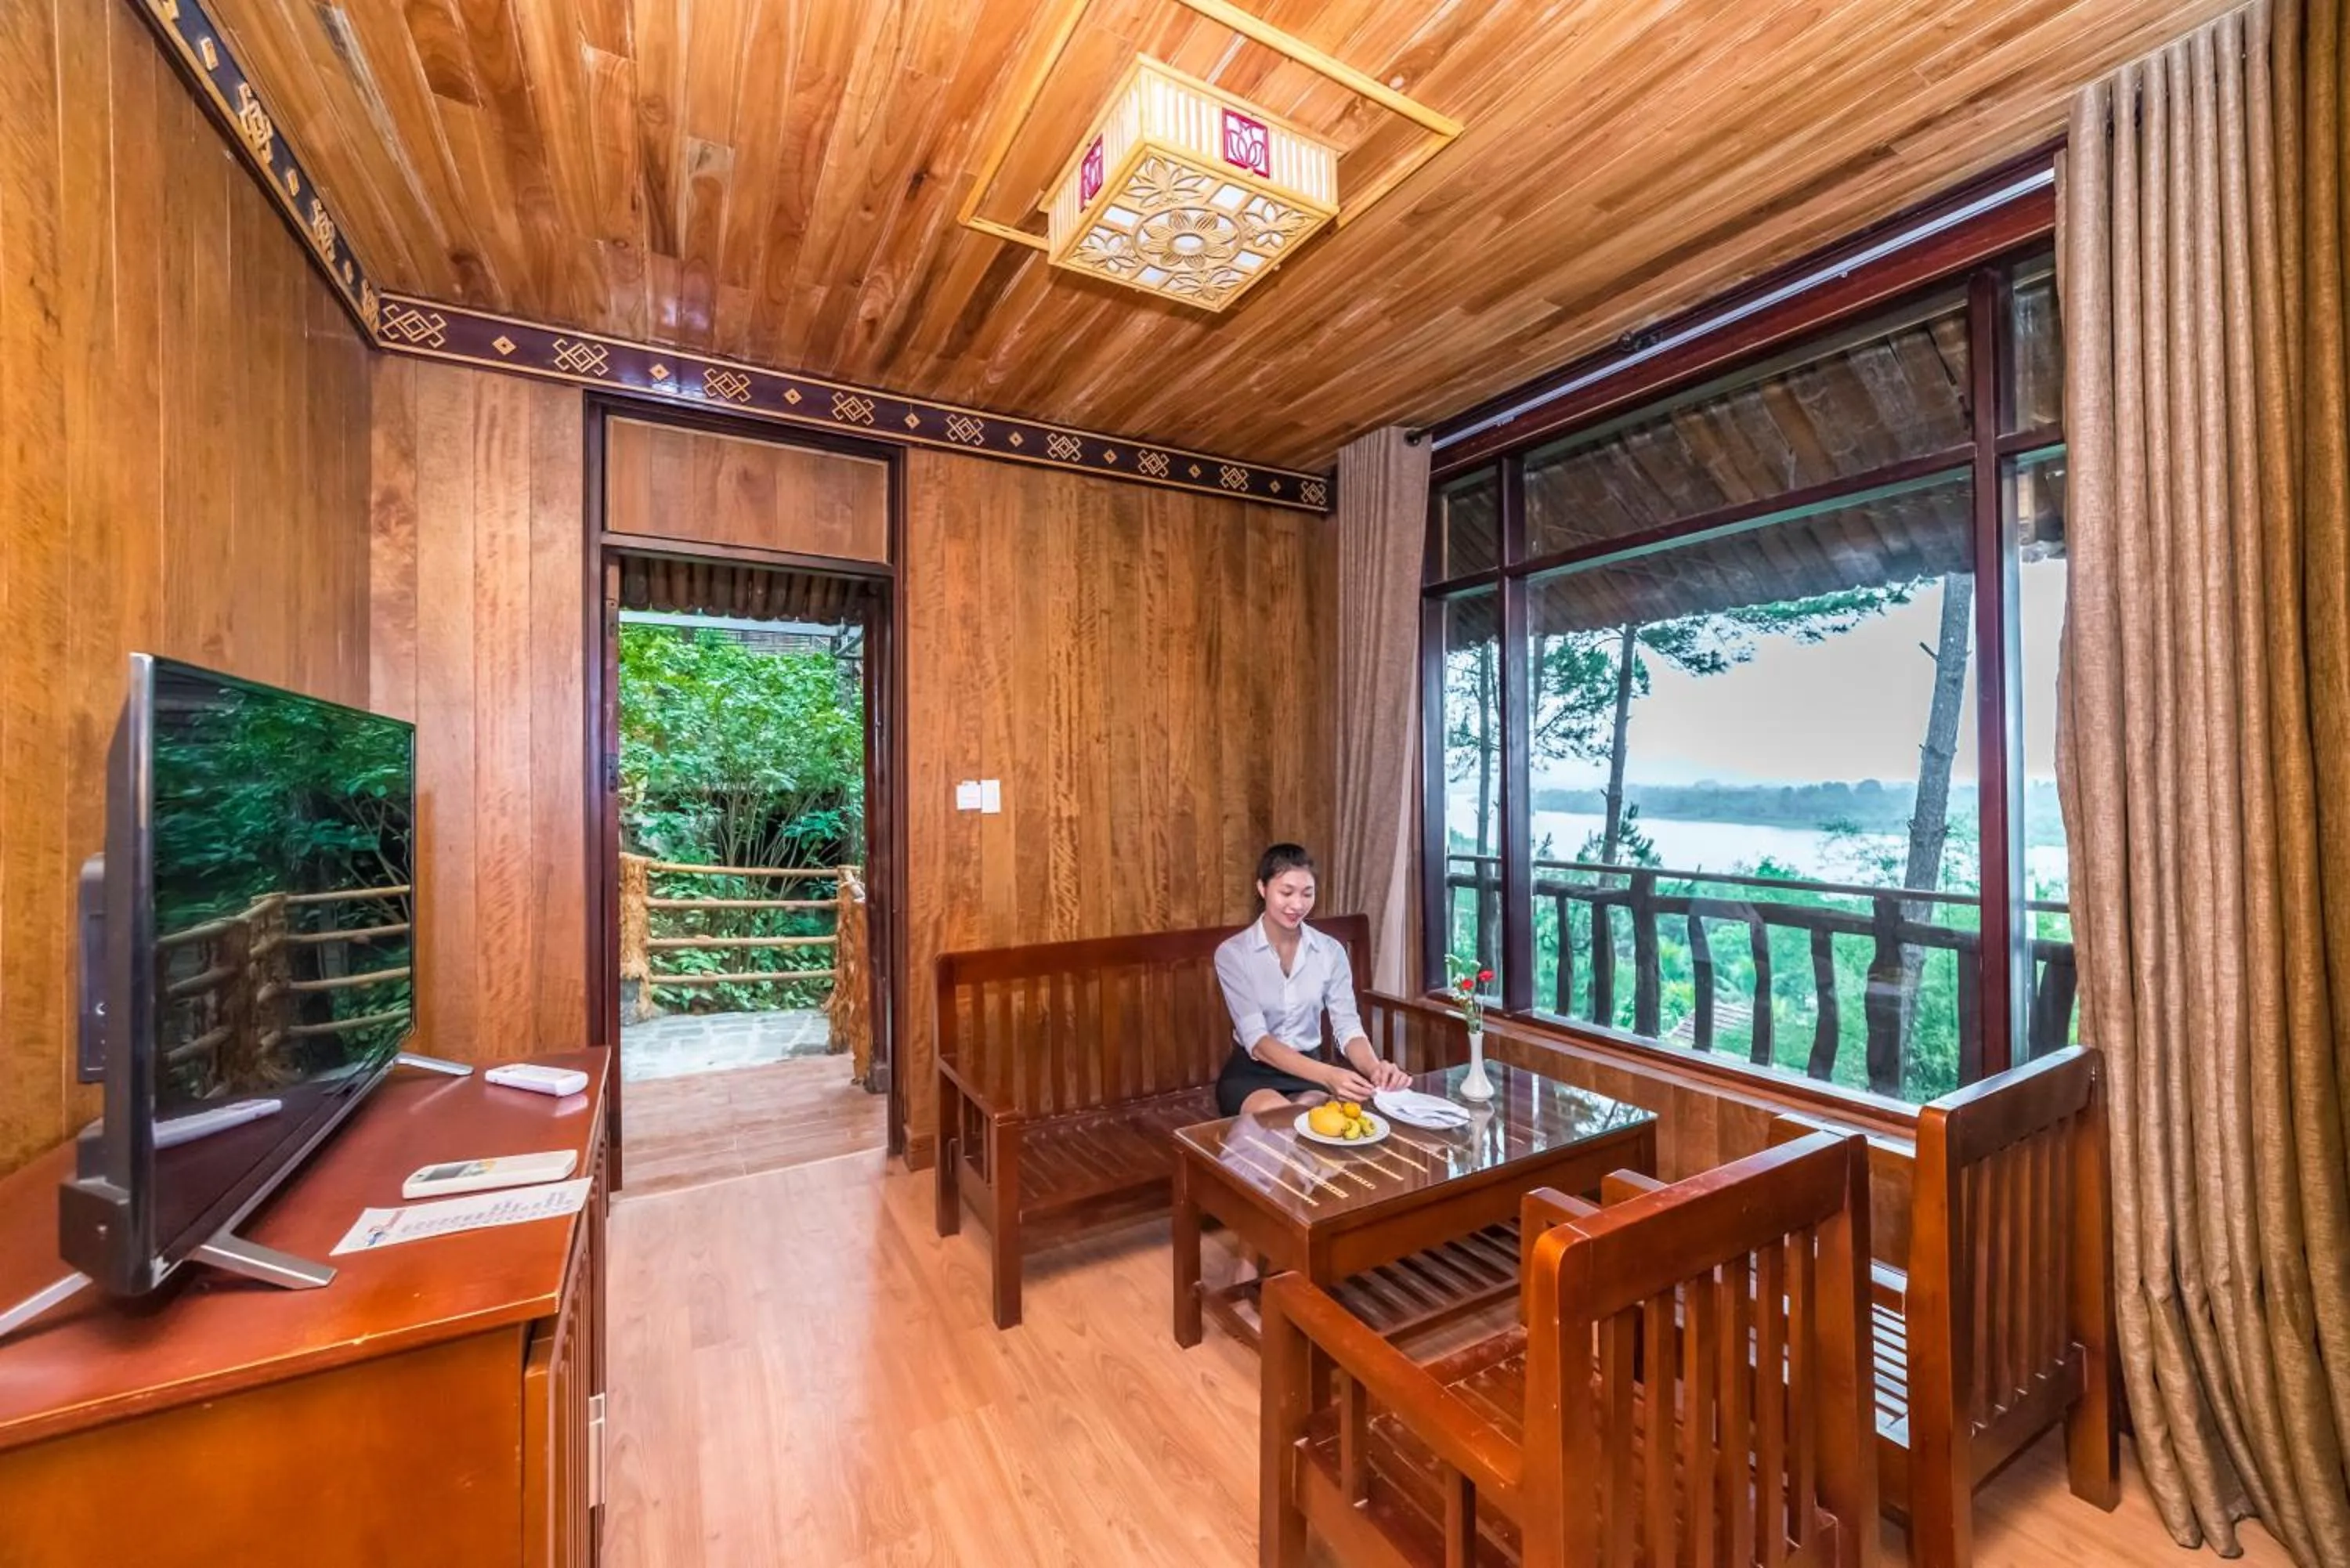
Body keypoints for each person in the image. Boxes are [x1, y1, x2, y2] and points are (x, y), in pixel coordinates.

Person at [1212, 843, 1411, 1118]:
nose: (1297, 904)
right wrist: (1330, 1075)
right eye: (1286, 892)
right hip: (1252, 1073)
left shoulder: (1330, 951)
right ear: (1262, 888)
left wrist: (1374, 1068)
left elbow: (1348, 1027)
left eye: (1307, 894)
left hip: (1310, 1071)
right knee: (1277, 1118)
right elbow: (1257, 1041)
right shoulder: (1233, 953)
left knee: (1323, 1122)